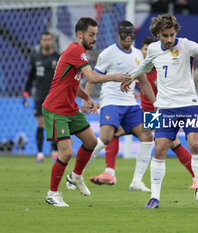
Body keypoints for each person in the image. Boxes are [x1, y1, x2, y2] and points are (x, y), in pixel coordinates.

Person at [121, 14, 198, 209]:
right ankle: (155, 197)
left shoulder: (184, 45)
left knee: (194, 144)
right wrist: (130, 78)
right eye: (165, 35)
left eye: (172, 35)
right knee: (159, 149)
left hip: (189, 104)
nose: (169, 39)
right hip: (165, 107)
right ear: (157, 34)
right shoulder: (152, 49)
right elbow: (146, 65)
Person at [86, 36, 197, 189]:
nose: (144, 53)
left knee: (172, 142)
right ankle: (113, 173)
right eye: (144, 49)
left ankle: (196, 177)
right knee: (116, 133)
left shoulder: (162, 68)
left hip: (158, 112)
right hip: (143, 111)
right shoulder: (141, 68)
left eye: (147, 50)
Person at [43, 17, 131, 207]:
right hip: (56, 109)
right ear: (79, 34)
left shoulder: (78, 52)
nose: (94, 39)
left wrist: (86, 98)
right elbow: (91, 76)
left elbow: (72, 84)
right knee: (66, 153)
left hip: (70, 108)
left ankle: (76, 176)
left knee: (91, 142)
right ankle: (52, 193)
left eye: (96, 35)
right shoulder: (75, 50)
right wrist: (114, 76)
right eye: (91, 35)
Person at [83, 21, 156, 192]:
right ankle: (77, 173)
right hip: (111, 100)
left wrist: (155, 104)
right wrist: (87, 99)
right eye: (125, 34)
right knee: (106, 138)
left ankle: (136, 181)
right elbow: (93, 77)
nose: (128, 37)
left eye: (131, 34)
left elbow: (144, 82)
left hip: (130, 103)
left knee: (147, 137)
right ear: (118, 34)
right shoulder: (108, 53)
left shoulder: (138, 54)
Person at [23, 31, 60, 162]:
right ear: (41, 41)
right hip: (39, 96)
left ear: (52, 41)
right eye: (44, 40)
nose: (47, 42)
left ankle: (54, 151)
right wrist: (26, 93)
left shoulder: (58, 57)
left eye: (49, 40)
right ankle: (39, 153)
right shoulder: (36, 57)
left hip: (54, 96)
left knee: (54, 123)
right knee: (41, 123)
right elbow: (31, 76)